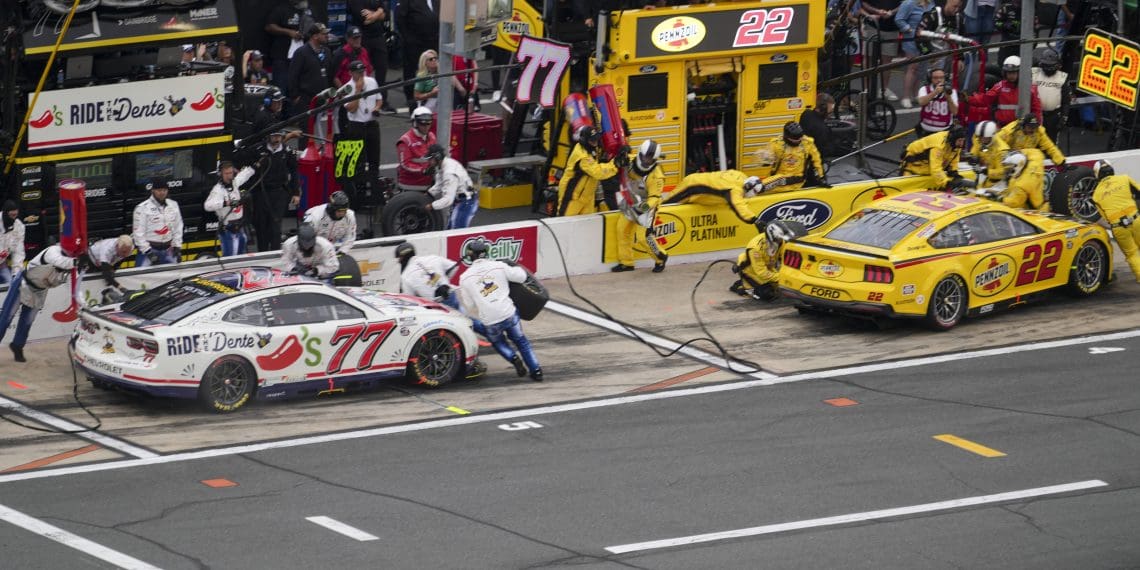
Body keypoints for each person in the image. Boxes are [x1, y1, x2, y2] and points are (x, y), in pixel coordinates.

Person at [458, 239, 543, 382]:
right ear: (486, 253)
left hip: (490, 320)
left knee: (498, 343)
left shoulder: (464, 277)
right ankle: (536, 371)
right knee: (521, 341)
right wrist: (512, 267)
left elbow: (469, 305)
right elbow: (522, 276)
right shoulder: (498, 266)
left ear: (470, 256)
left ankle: (513, 357)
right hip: (508, 313)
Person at [0, 243, 75, 362]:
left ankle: (17, 346)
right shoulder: (53, 251)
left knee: (27, 321)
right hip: (23, 282)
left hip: (40, 290)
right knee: (6, 317)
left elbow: (72, 283)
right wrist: (77, 262)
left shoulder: (72, 264)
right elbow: (61, 262)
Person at [613, 140, 669, 273]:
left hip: (648, 205)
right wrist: (618, 161)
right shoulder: (630, 161)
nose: (646, 161)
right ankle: (627, 263)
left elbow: (655, 198)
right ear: (639, 153)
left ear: (655, 160)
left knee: (643, 236)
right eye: (644, 157)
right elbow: (618, 167)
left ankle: (661, 257)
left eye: (650, 159)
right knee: (622, 229)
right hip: (632, 199)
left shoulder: (657, 176)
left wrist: (642, 208)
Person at [250, 131, 301, 252]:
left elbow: (294, 172)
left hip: (279, 193)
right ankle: (261, 254)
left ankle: (275, 253)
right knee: (261, 225)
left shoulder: (287, 151)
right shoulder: (258, 149)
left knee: (275, 226)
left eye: (278, 136)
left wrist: (296, 193)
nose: (276, 138)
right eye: (273, 136)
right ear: (268, 136)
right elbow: (249, 170)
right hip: (260, 193)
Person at [1090, 160, 1140, 282]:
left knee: (1132, 254)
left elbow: (1105, 216)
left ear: (1097, 174)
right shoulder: (1125, 178)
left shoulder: (1095, 195)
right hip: (1136, 219)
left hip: (1119, 227)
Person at [557, 125, 623, 217]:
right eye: (592, 140)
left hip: (587, 195)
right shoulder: (582, 156)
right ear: (585, 140)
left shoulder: (592, 147)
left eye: (596, 139)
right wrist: (615, 164)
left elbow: (602, 151)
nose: (595, 142)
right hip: (572, 196)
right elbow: (598, 172)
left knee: (588, 225)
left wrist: (620, 150)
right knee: (564, 223)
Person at [342, 59, 383, 197]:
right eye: (357, 72)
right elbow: (351, 109)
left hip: (371, 124)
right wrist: (358, 90)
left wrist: (377, 108)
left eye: (362, 72)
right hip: (356, 126)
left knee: (374, 160)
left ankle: (375, 192)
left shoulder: (371, 82)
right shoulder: (347, 88)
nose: (361, 75)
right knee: (358, 161)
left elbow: (379, 98)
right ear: (351, 73)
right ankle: (358, 194)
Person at [348, 0, 395, 114]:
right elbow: (364, 19)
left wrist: (376, 13)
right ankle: (363, 99)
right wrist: (379, 12)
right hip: (363, 38)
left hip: (378, 37)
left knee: (382, 69)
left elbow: (386, 14)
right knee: (363, 70)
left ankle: (381, 101)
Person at [288, 22, 333, 140]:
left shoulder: (327, 52)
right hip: (306, 99)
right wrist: (296, 97)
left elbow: (330, 73)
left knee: (324, 130)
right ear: (315, 36)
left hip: (323, 98)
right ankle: (304, 155)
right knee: (307, 132)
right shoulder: (301, 53)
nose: (327, 36)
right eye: (324, 34)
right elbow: (293, 76)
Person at [664, 170, 762, 223]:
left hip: (695, 180)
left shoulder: (740, 175)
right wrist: (755, 220)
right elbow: (739, 207)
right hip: (691, 187)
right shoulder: (734, 190)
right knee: (664, 207)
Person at [756, 122, 826, 193]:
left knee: (778, 180)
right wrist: (765, 159)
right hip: (776, 178)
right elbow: (766, 161)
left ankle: (757, 188)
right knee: (774, 180)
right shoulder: (776, 143)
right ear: (787, 137)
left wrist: (821, 177)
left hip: (796, 179)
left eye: (800, 138)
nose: (798, 141)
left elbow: (817, 160)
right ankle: (755, 187)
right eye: (795, 139)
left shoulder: (807, 143)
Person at [205, 161, 255, 257]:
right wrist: (225, 203)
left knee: (242, 258)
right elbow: (207, 206)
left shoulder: (235, 183)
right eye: (226, 173)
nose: (229, 176)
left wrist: (256, 165)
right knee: (229, 260)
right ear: (220, 174)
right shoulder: (217, 190)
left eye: (231, 173)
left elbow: (246, 174)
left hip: (240, 227)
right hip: (227, 230)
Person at [423, 144, 479, 229]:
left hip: (466, 202)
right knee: (449, 230)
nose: (429, 162)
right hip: (459, 200)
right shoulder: (443, 166)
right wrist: (428, 194)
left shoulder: (449, 172)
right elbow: (439, 185)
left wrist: (432, 206)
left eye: (430, 159)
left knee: (456, 232)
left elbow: (448, 199)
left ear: (437, 157)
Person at [264, 0, 312, 98]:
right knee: (281, 89)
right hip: (282, 56)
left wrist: (305, 33)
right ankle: (279, 112)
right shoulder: (281, 9)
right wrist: (289, 32)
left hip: (299, 57)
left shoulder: (305, 11)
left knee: (297, 89)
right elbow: (269, 26)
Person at [397, 0, 440, 109]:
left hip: (433, 41)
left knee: (433, 68)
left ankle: (431, 94)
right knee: (412, 70)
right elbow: (400, 18)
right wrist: (408, 38)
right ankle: (411, 100)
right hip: (414, 43)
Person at [894, 0, 936, 108]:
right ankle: (906, 97)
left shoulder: (931, 4)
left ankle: (916, 94)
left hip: (926, 41)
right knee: (912, 67)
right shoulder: (909, 3)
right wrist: (909, 30)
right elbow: (899, 19)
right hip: (911, 40)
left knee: (922, 68)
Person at [132, 179, 183, 266]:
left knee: (175, 277)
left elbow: (178, 226)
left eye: (164, 190)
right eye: (159, 190)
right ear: (153, 191)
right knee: (142, 278)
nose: (162, 193)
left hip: (169, 250)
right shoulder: (142, 208)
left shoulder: (173, 205)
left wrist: (177, 246)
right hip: (149, 251)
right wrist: (148, 252)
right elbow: (138, 233)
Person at [859, 0, 902, 101]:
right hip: (872, 24)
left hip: (892, 27)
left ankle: (884, 89)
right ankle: (866, 89)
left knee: (887, 60)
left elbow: (903, 3)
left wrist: (891, 12)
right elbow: (864, 3)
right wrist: (877, 11)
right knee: (868, 58)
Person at [900, 124, 967, 188]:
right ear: (953, 139)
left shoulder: (954, 143)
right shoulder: (938, 146)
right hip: (912, 167)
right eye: (960, 141)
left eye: (963, 140)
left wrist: (953, 171)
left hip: (928, 169)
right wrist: (947, 183)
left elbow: (954, 157)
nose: (961, 144)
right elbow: (935, 169)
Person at [730, 221, 782, 301]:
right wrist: (782, 277)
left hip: (767, 267)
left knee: (781, 288)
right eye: (779, 239)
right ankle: (743, 286)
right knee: (767, 294)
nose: (780, 241)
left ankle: (747, 283)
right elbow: (762, 273)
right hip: (750, 270)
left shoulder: (781, 241)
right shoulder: (755, 248)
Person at [396, 242, 460, 306]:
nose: (398, 261)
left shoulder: (405, 275)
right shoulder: (433, 257)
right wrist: (444, 280)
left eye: (400, 258)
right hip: (450, 294)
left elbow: (409, 301)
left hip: (436, 305)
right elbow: (454, 266)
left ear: (404, 256)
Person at [985, 56, 1043, 127]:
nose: (1011, 76)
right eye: (1009, 73)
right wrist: (970, 99)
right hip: (1003, 127)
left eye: (1013, 73)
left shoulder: (1031, 88)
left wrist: (1037, 125)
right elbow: (986, 98)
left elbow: (1037, 110)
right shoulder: (999, 86)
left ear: (1020, 72)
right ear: (1005, 73)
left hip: (1023, 128)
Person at [996, 113, 1066, 167]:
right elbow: (997, 139)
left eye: (1034, 127)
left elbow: (1049, 146)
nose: (1032, 130)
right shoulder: (1013, 128)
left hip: (1028, 160)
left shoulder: (1039, 131)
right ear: (1024, 125)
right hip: (1011, 159)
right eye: (1029, 127)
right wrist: (1006, 154)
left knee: (1038, 155)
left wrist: (1061, 160)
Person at [1031, 49, 1070, 142]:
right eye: (1046, 65)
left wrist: (1064, 117)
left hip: (1053, 116)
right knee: (1034, 142)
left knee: (1051, 144)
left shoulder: (1062, 77)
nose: (1048, 68)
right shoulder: (1034, 73)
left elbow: (1066, 101)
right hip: (1036, 114)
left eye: (1051, 65)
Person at [397, 106, 438, 191]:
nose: (426, 127)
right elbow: (405, 164)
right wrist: (423, 170)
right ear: (415, 123)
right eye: (422, 123)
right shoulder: (405, 141)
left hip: (429, 184)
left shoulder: (432, 136)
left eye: (429, 123)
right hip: (410, 186)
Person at [915, 67, 960, 138]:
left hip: (944, 131)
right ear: (930, 79)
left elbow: (955, 112)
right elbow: (921, 102)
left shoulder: (952, 91)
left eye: (941, 77)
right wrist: (935, 92)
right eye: (935, 78)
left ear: (945, 79)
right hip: (925, 130)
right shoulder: (924, 89)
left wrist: (948, 97)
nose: (939, 80)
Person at [799, 93, 845, 158]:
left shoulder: (806, 113)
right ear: (823, 108)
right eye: (830, 109)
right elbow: (825, 151)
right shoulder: (821, 128)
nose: (831, 111)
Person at [966, 120, 1008, 187]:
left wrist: (986, 171)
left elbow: (1003, 173)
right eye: (979, 136)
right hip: (984, 175)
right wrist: (972, 158)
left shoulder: (1002, 150)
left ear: (991, 136)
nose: (980, 139)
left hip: (999, 182)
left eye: (983, 137)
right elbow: (974, 151)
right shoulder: (979, 140)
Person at [0, 200, 25, 285]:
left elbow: (19, 252)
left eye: (15, 215)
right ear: (5, 213)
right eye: (11, 215)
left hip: (2, 263)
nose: (13, 218)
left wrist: (16, 274)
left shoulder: (19, 227)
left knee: (11, 284)